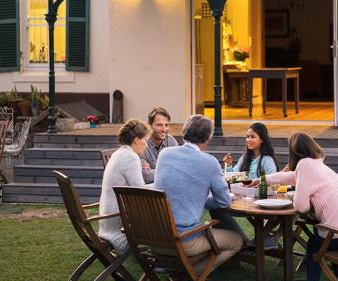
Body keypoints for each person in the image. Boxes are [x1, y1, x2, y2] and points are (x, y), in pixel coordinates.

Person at [253, 132, 338, 280]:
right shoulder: (318, 164)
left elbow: (301, 207)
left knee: (315, 242)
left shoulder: (304, 164)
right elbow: (292, 176)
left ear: (294, 151)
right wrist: (263, 179)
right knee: (324, 234)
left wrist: (300, 195)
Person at [154, 114, 242, 274]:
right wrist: (206, 199)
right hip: (184, 240)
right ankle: (191, 271)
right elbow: (224, 202)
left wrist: (200, 198)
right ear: (208, 138)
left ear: (184, 131)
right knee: (237, 241)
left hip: (155, 237)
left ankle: (181, 268)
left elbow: (179, 191)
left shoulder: (164, 154)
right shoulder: (209, 162)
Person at [222, 122, 279, 249]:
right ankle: (245, 243)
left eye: (252, 137)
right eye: (247, 136)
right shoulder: (246, 157)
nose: (248, 140)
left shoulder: (267, 160)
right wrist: (229, 166)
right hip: (243, 200)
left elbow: (273, 182)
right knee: (221, 209)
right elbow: (235, 177)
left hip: (261, 202)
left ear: (262, 139)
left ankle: (254, 242)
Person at [98, 119, 150, 253]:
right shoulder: (130, 157)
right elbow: (140, 192)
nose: (147, 145)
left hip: (107, 223)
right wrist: (163, 184)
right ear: (137, 140)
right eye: (145, 140)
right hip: (119, 231)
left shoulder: (119, 153)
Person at [140, 107, 178, 183]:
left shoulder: (171, 141)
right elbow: (145, 176)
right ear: (149, 126)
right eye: (159, 125)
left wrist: (152, 170)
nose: (164, 129)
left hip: (167, 188)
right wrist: (169, 169)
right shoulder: (141, 144)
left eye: (166, 125)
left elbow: (179, 169)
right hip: (149, 192)